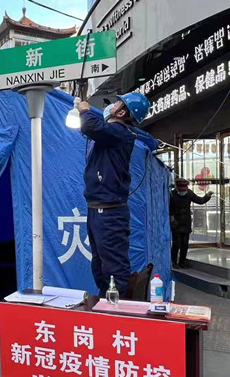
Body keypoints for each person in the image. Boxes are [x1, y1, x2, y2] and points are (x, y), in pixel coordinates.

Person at [77, 93, 157, 297]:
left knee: (113, 268)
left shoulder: (119, 132)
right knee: (100, 265)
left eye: (117, 103)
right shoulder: (112, 134)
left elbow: (90, 126)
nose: (111, 105)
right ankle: (105, 302)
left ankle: (117, 309)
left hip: (109, 212)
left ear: (121, 112)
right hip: (98, 209)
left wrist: (85, 110)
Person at [169, 178, 213, 269]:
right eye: (181, 190)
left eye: (184, 189)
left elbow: (200, 200)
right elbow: (169, 208)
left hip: (186, 222)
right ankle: (173, 262)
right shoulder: (172, 195)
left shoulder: (189, 193)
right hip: (176, 222)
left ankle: (182, 261)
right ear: (177, 188)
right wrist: (171, 219)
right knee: (176, 243)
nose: (183, 191)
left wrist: (208, 196)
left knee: (185, 244)